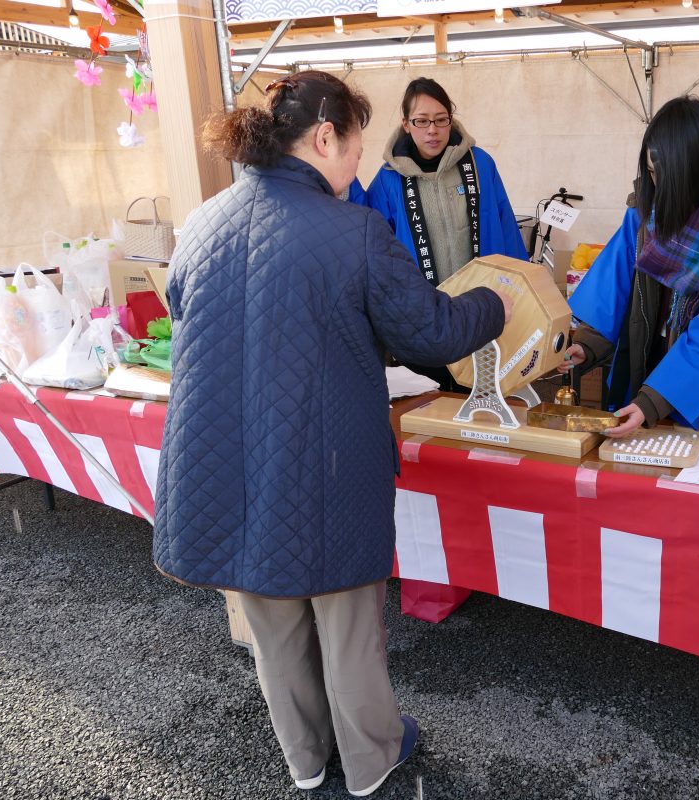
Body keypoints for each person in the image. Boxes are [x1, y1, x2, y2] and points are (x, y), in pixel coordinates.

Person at [152, 71, 511, 797]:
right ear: (325, 138)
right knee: (347, 623)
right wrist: (494, 299)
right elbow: (430, 330)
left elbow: (189, 310)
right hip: (324, 460)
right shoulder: (354, 232)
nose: (358, 164)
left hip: (225, 458)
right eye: (353, 146)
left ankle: (307, 761)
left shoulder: (204, 222)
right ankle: (374, 762)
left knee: (273, 618)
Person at [558, 95, 699, 435]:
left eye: (668, 176)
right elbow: (614, 284)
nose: (657, 186)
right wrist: (586, 344)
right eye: (650, 171)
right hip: (642, 370)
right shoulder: (643, 213)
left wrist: (653, 402)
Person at [351, 77, 528, 391]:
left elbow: (506, 227)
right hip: (423, 322)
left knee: (487, 407)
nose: (432, 130)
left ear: (451, 118)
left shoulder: (480, 164)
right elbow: (369, 239)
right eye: (421, 121)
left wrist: (527, 296)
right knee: (433, 410)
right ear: (406, 125)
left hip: (484, 315)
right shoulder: (389, 180)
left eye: (440, 119)